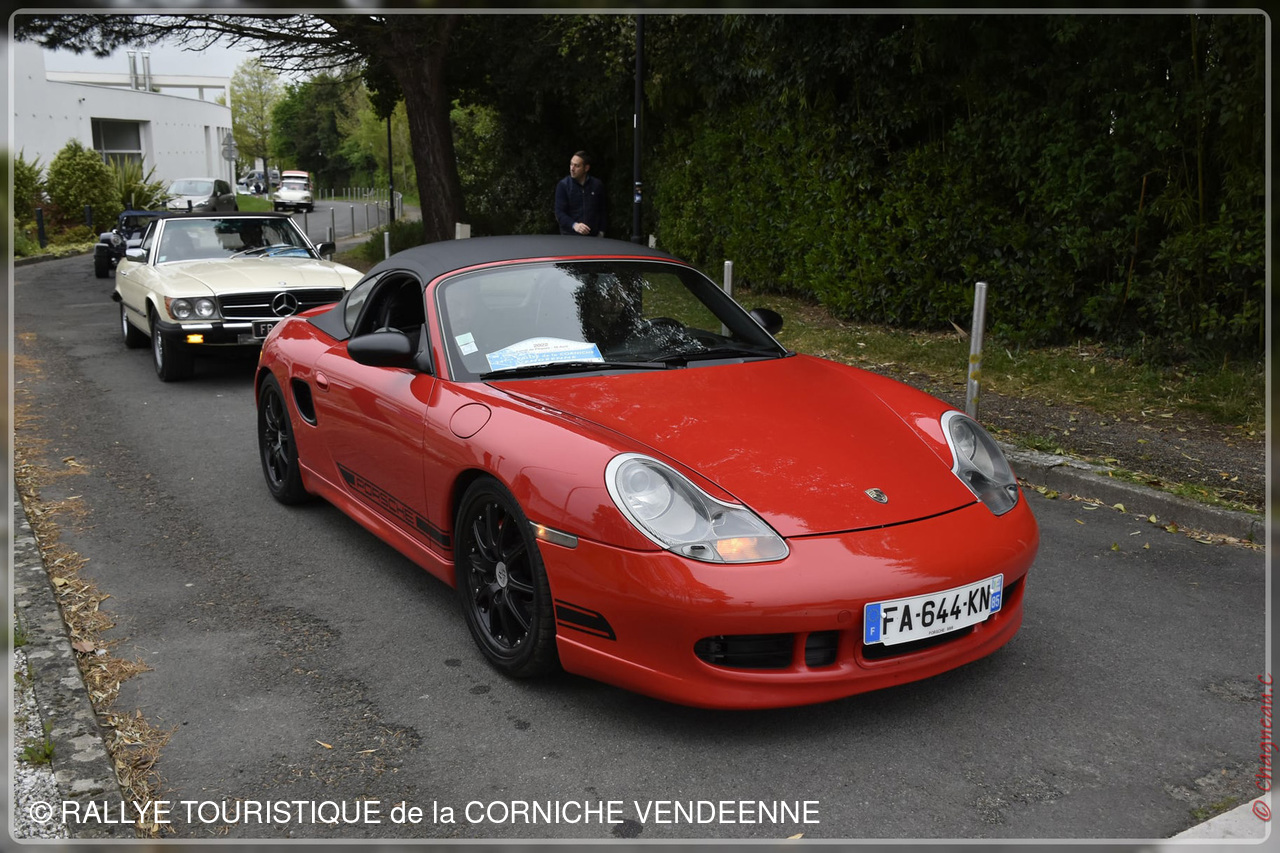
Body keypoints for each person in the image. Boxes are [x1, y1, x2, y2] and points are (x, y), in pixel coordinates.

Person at [555, 151, 607, 236]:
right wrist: (574, 225)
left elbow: (602, 210)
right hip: (570, 236)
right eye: (571, 164)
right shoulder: (564, 185)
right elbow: (559, 213)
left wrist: (601, 231)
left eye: (577, 166)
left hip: (592, 236)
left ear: (586, 168)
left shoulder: (596, 185)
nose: (572, 168)